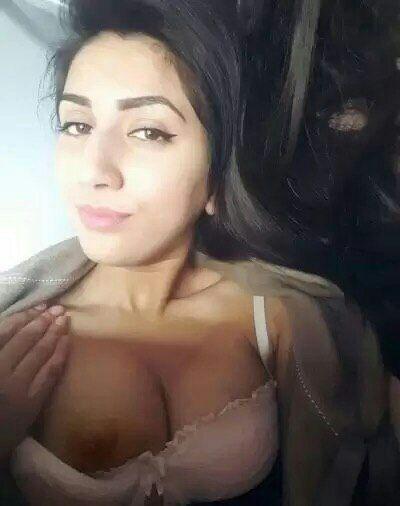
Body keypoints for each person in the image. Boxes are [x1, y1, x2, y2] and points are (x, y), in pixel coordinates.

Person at [0, 1, 396, 505]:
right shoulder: (17, 340)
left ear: (217, 173)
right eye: (77, 125)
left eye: (148, 132)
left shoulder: (278, 316)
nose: (94, 171)